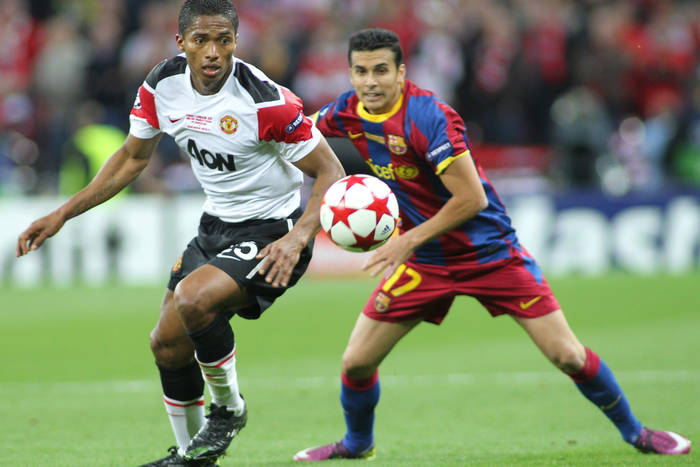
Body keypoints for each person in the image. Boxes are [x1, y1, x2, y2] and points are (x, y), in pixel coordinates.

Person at [293, 28, 691, 461]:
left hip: (489, 254)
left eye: (381, 71)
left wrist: (407, 241)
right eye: (361, 71)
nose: (370, 82)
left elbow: (471, 199)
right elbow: (297, 130)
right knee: (356, 363)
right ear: (350, 73)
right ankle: (357, 444)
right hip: (428, 261)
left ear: (401, 72)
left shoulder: (429, 117)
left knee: (568, 355)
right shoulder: (346, 112)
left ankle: (637, 433)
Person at [16, 1, 345, 466]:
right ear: (181, 42)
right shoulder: (162, 85)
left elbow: (331, 172)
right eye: (201, 40)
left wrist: (299, 238)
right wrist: (63, 214)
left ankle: (228, 409)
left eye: (223, 41)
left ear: (236, 41)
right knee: (167, 343)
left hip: (273, 230)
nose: (212, 52)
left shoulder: (267, 102)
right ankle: (194, 457)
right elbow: (132, 158)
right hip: (215, 226)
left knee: (193, 298)